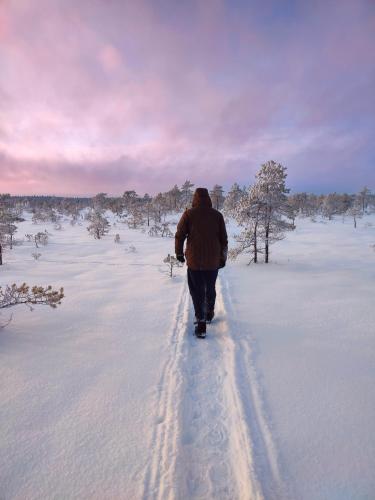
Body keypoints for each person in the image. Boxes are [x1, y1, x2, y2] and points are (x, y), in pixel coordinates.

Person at [175, 188, 228, 338]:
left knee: (197, 291)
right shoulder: (217, 215)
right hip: (213, 261)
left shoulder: (188, 214)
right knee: (210, 287)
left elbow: (179, 235)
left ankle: (201, 322)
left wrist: (179, 253)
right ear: (208, 199)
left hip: (194, 261)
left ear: (195, 199)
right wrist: (222, 258)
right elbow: (224, 240)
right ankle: (209, 313)